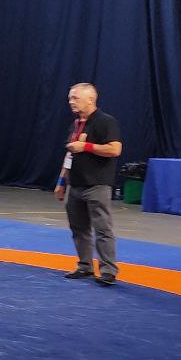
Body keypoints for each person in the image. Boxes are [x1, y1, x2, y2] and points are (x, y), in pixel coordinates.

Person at [55, 83, 123, 286]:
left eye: (75, 98)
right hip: (75, 184)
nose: (71, 102)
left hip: (97, 184)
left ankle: (108, 270)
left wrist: (85, 146)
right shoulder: (76, 124)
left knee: (102, 229)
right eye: (70, 98)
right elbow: (69, 155)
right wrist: (61, 182)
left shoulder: (105, 121)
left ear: (91, 99)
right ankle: (85, 265)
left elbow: (115, 149)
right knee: (78, 228)